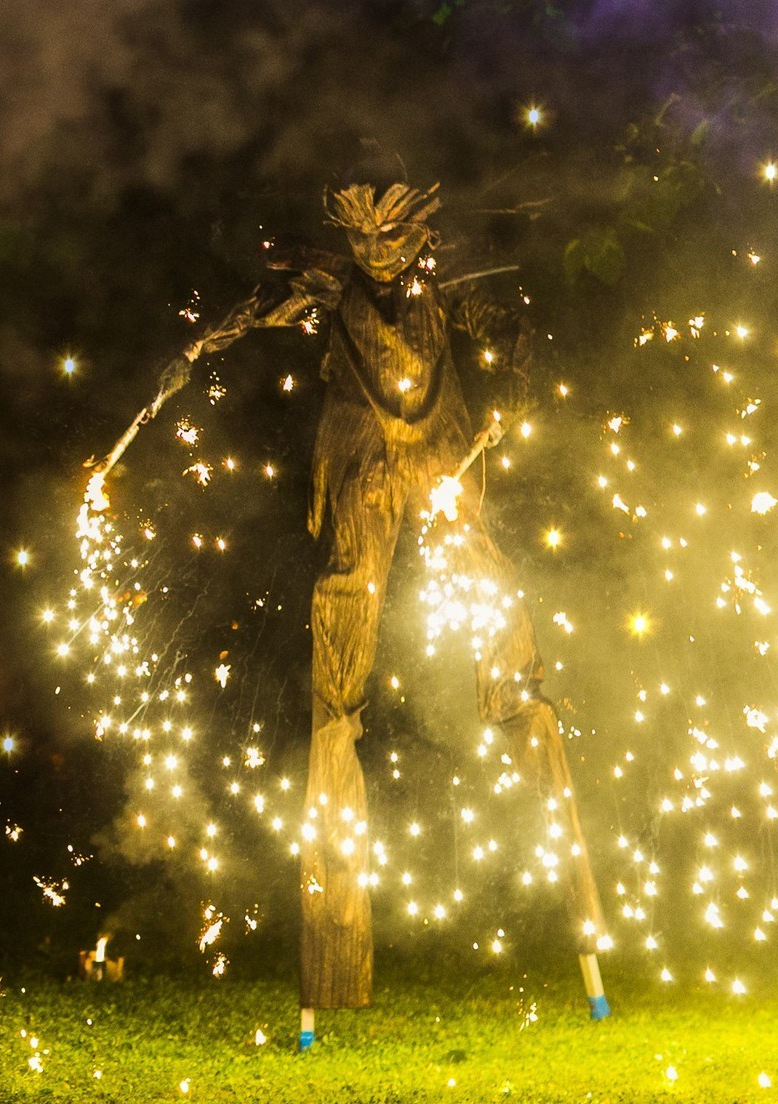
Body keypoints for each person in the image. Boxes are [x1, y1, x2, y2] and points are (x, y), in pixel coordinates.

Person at [159, 157, 611, 1041]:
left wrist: (515, 389)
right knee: (340, 654)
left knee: (497, 616)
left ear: (418, 236)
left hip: (443, 462)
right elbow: (260, 305)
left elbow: (514, 333)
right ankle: (328, 967)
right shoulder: (333, 287)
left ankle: (521, 715)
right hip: (364, 465)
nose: (374, 254)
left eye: (390, 239)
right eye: (360, 239)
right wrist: (192, 347)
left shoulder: (443, 283)